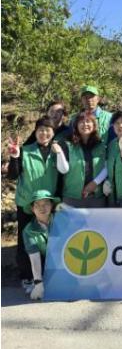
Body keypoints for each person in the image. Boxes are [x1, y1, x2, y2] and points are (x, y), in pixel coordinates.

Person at [7, 116, 65, 291]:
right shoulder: (25, 150)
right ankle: (27, 277)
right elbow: (13, 175)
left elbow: (63, 174)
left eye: (48, 130)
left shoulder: (57, 151)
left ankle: (46, 276)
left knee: (50, 240)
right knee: (25, 240)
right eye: (40, 130)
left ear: (53, 133)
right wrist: (14, 157)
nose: (44, 133)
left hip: (48, 204)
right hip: (27, 203)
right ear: (35, 131)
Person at [59, 112, 107, 208]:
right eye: (81, 122)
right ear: (76, 126)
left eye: (88, 121)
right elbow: (62, 169)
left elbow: (107, 166)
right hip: (72, 196)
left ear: (94, 125)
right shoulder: (68, 145)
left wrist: (95, 183)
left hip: (96, 196)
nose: (85, 124)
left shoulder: (101, 145)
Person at [21, 190, 62, 300]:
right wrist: (38, 283)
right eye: (37, 205)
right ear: (32, 209)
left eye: (46, 203)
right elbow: (34, 257)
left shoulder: (62, 220)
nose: (42, 208)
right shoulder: (28, 231)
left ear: (51, 205)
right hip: (47, 261)